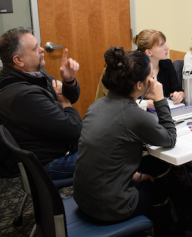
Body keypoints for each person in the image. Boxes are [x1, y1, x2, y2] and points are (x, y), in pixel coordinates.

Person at [74, 47, 177, 224]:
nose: (153, 81)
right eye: (151, 78)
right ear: (139, 85)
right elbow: (169, 138)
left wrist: (135, 176)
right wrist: (160, 100)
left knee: (150, 166)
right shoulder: (132, 114)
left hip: (84, 198)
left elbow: (107, 156)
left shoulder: (96, 105)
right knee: (160, 187)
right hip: (110, 207)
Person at [0, 27, 81, 179]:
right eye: (35, 48)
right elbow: (75, 129)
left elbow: (69, 96)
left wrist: (69, 81)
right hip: (50, 164)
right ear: (18, 60)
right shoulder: (23, 96)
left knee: (111, 143)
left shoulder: (34, 74)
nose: (42, 49)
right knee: (118, 154)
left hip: (61, 147)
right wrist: (65, 103)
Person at [133, 29, 184, 108]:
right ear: (149, 52)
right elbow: (125, 102)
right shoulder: (135, 69)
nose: (167, 47)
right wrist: (146, 103)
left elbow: (179, 91)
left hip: (169, 112)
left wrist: (179, 95)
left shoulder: (167, 64)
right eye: (161, 45)